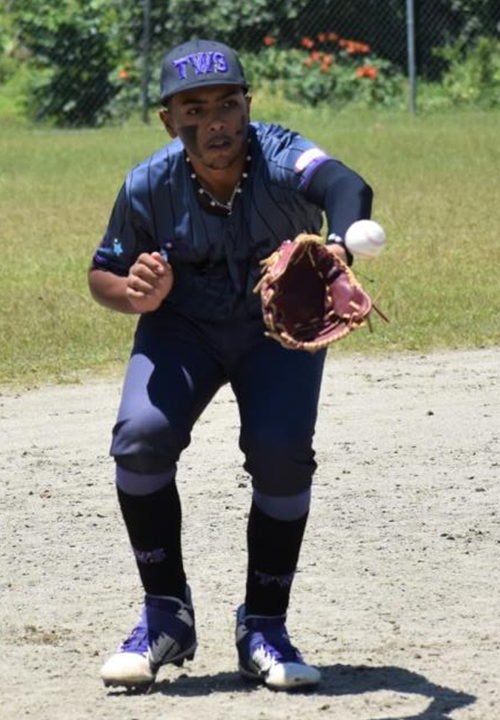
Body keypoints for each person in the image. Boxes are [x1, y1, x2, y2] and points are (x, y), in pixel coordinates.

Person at [89, 38, 373, 692]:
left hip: (277, 331)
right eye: (195, 109)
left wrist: (338, 243)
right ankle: (166, 614)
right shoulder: (148, 185)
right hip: (182, 330)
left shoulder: (283, 156)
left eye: (228, 103)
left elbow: (345, 184)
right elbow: (102, 272)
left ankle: (264, 625)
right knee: (140, 437)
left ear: (248, 105)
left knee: (280, 452)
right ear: (169, 120)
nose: (215, 121)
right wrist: (133, 292)